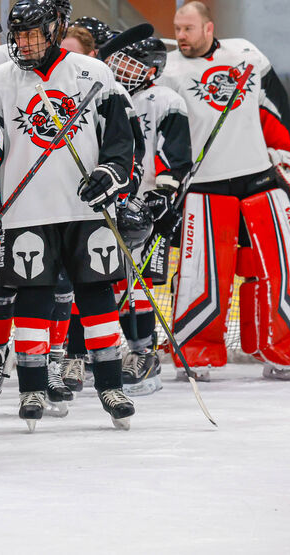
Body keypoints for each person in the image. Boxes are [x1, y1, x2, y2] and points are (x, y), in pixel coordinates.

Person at [0, 0, 137, 431]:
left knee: (97, 297)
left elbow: (121, 138)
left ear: (55, 30)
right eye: (19, 35)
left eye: (34, 34)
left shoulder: (92, 73)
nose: (25, 43)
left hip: (85, 210)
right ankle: (31, 388)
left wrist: (109, 173)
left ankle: (110, 385)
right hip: (25, 210)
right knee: (32, 300)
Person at [160, 0, 290, 380]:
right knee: (204, 273)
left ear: (208, 28)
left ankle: (282, 343)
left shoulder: (247, 54)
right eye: (177, 28)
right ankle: (197, 347)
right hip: (205, 184)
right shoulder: (169, 71)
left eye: (188, 28)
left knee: (277, 265)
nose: (180, 36)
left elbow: (277, 110)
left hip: (258, 177)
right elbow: (161, 130)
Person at [105, 35, 192, 395]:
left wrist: (163, 195)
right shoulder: (109, 96)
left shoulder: (166, 100)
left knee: (138, 283)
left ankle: (144, 354)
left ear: (152, 69)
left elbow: (177, 156)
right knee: (108, 282)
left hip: (145, 207)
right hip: (108, 202)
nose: (120, 69)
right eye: (118, 62)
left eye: (130, 64)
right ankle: (94, 354)